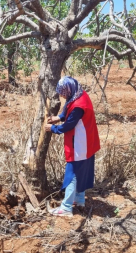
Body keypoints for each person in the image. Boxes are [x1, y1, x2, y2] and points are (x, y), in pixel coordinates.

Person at [44, 76, 100, 217]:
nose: (62, 96)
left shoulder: (78, 105)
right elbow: (68, 110)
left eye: (63, 93)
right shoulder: (80, 93)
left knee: (72, 174)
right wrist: (59, 117)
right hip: (88, 140)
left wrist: (53, 128)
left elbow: (69, 125)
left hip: (80, 143)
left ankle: (66, 207)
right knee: (82, 170)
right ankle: (79, 200)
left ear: (69, 90)